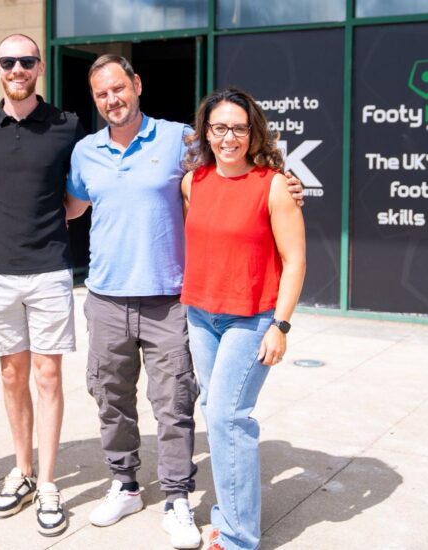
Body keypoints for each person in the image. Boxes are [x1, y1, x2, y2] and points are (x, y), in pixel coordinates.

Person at [64, 56, 304, 550]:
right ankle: (125, 484)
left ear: (137, 85)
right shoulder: (85, 152)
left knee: (174, 404)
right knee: (110, 398)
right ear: (94, 99)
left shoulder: (180, 140)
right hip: (107, 296)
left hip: (171, 298)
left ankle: (176, 497)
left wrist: (287, 182)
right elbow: (70, 205)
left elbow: (236, 161)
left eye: (119, 89)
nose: (113, 100)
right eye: (101, 93)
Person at [179, 87, 306, 550]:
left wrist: (282, 325)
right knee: (218, 415)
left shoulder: (274, 184)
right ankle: (230, 513)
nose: (228, 137)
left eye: (237, 127)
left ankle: (237, 538)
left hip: (251, 319)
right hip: (201, 315)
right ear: (206, 132)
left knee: (231, 417)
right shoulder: (194, 182)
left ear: (253, 131)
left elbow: (294, 260)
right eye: (219, 128)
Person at [0, 33, 83, 537]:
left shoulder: (67, 125)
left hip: (50, 270)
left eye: (27, 61)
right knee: (12, 375)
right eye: (9, 61)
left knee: (48, 376)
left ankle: (51, 481)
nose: (19, 69)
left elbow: (79, 196)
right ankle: (23, 470)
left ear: (39, 67)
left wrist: (53, 221)